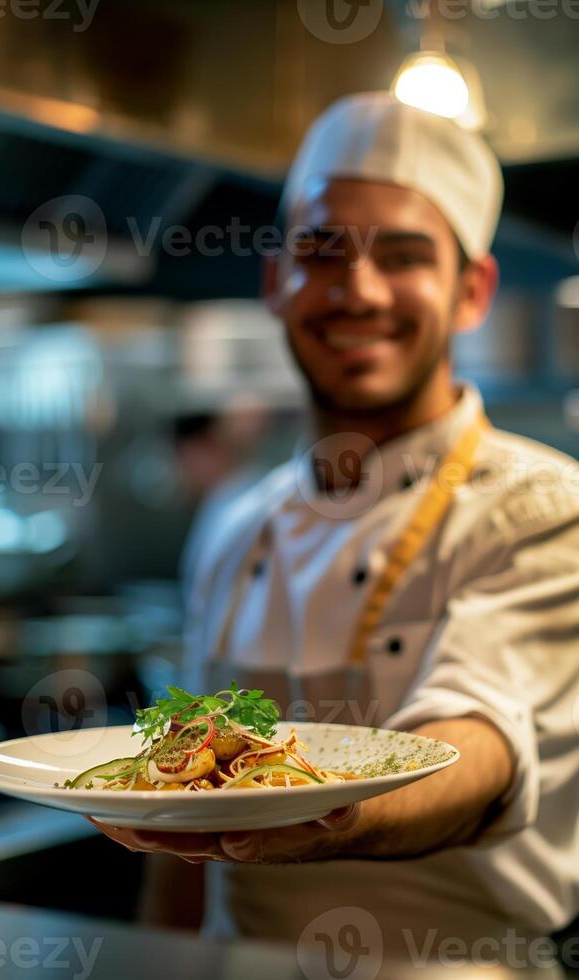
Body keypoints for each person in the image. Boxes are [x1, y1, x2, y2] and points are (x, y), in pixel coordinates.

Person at [92, 93, 579, 969]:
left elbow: (482, 746)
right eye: (322, 253)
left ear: (471, 291)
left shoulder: (543, 507)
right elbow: (180, 813)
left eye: (403, 257)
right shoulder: (235, 523)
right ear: (276, 281)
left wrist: (318, 819)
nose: (358, 289)